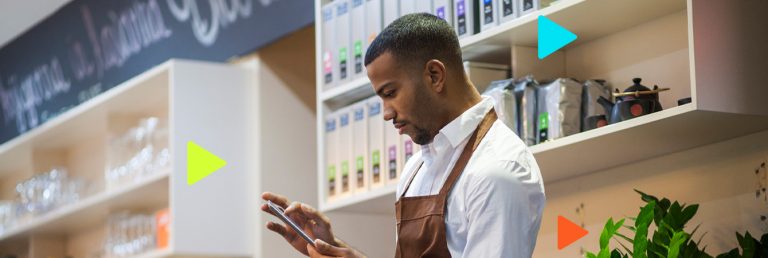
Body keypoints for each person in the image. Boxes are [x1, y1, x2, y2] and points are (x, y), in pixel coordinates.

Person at [261, 13, 546, 258]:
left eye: (390, 93)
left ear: (434, 75)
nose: (386, 113)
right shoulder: (416, 169)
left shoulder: (497, 170)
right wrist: (332, 247)